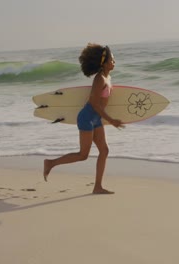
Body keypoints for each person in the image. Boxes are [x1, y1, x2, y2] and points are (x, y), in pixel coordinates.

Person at [43, 44, 124, 194]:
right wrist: (111, 120)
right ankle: (50, 163)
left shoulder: (108, 77)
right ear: (104, 62)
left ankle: (97, 187)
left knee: (104, 151)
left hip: (96, 118)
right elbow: (93, 103)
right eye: (112, 59)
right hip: (87, 118)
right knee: (83, 155)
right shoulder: (99, 79)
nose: (114, 62)